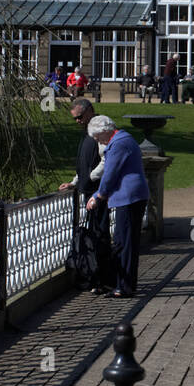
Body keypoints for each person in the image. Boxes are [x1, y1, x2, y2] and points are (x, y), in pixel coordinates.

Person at [85, 115, 149, 298]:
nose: (98, 141)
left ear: (105, 131)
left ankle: (124, 287)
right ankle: (123, 284)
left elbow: (110, 174)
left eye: (98, 137)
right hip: (132, 196)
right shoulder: (124, 139)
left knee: (124, 242)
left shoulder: (118, 144)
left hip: (129, 197)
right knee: (126, 241)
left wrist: (99, 196)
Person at [59, 99, 111, 293]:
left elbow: (106, 160)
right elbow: (85, 163)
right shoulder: (88, 131)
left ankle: (103, 279)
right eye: (75, 118)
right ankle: (95, 277)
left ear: (90, 111)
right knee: (94, 233)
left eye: (80, 117)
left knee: (100, 234)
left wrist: (90, 177)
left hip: (98, 192)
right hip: (89, 190)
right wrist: (75, 182)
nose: (78, 121)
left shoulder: (100, 128)